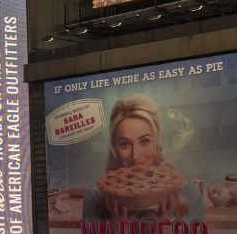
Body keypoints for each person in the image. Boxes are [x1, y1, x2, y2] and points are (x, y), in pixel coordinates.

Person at [82, 95, 203, 223]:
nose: (135, 156)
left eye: (144, 141)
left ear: (157, 143)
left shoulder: (190, 195)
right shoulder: (93, 199)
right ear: (114, 149)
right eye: (124, 144)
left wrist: (162, 228)